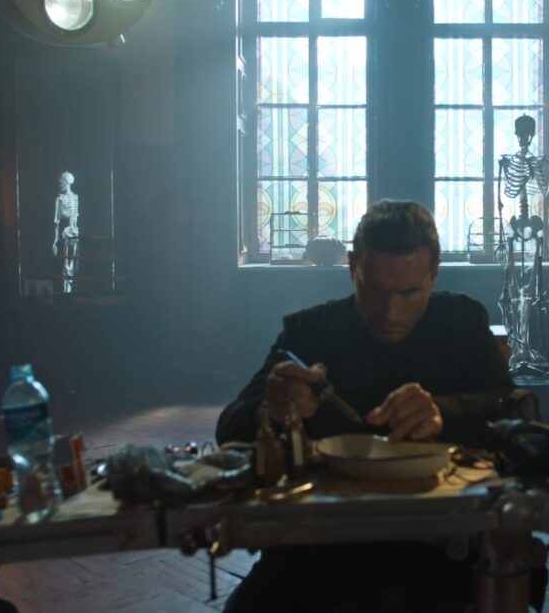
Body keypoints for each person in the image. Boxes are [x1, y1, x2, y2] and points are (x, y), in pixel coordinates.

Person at [216, 200, 521, 613]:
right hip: (319, 559)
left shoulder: (461, 322)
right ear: (352, 267)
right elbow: (228, 431)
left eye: (409, 293)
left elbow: (514, 413)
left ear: (434, 274)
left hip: (440, 557)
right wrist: (269, 408)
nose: (391, 313)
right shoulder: (308, 332)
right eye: (374, 291)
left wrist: (443, 411)